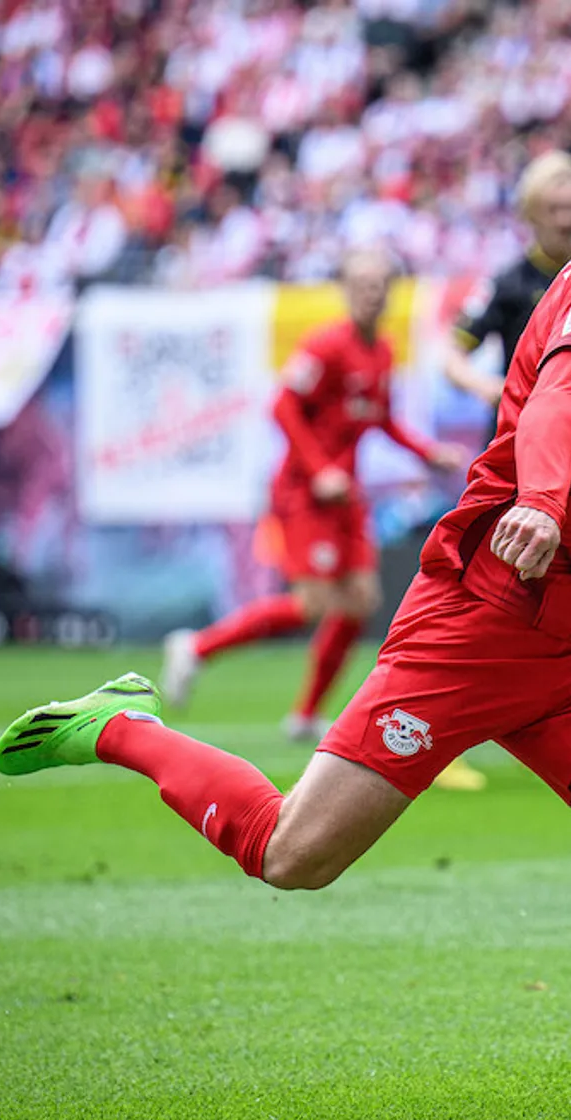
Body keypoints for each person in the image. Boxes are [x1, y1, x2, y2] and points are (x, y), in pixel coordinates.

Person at [0, 108, 571, 1120]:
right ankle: (121, 727)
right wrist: (540, 503)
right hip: (474, 633)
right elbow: (556, 406)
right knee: (295, 856)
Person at [161, 251, 464, 753]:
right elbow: (281, 405)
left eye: (379, 285)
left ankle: (305, 715)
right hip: (305, 493)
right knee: (314, 604)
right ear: (345, 290)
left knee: (362, 600)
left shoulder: (383, 352)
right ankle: (196, 647)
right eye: (362, 284)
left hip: (346, 495)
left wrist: (426, 452)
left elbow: (382, 419)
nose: (371, 293)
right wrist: (320, 467)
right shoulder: (325, 347)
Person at [443, 151, 571, 407]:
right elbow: (453, 354)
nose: (565, 221)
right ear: (531, 213)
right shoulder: (507, 282)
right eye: (554, 210)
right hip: (519, 426)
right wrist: (488, 387)